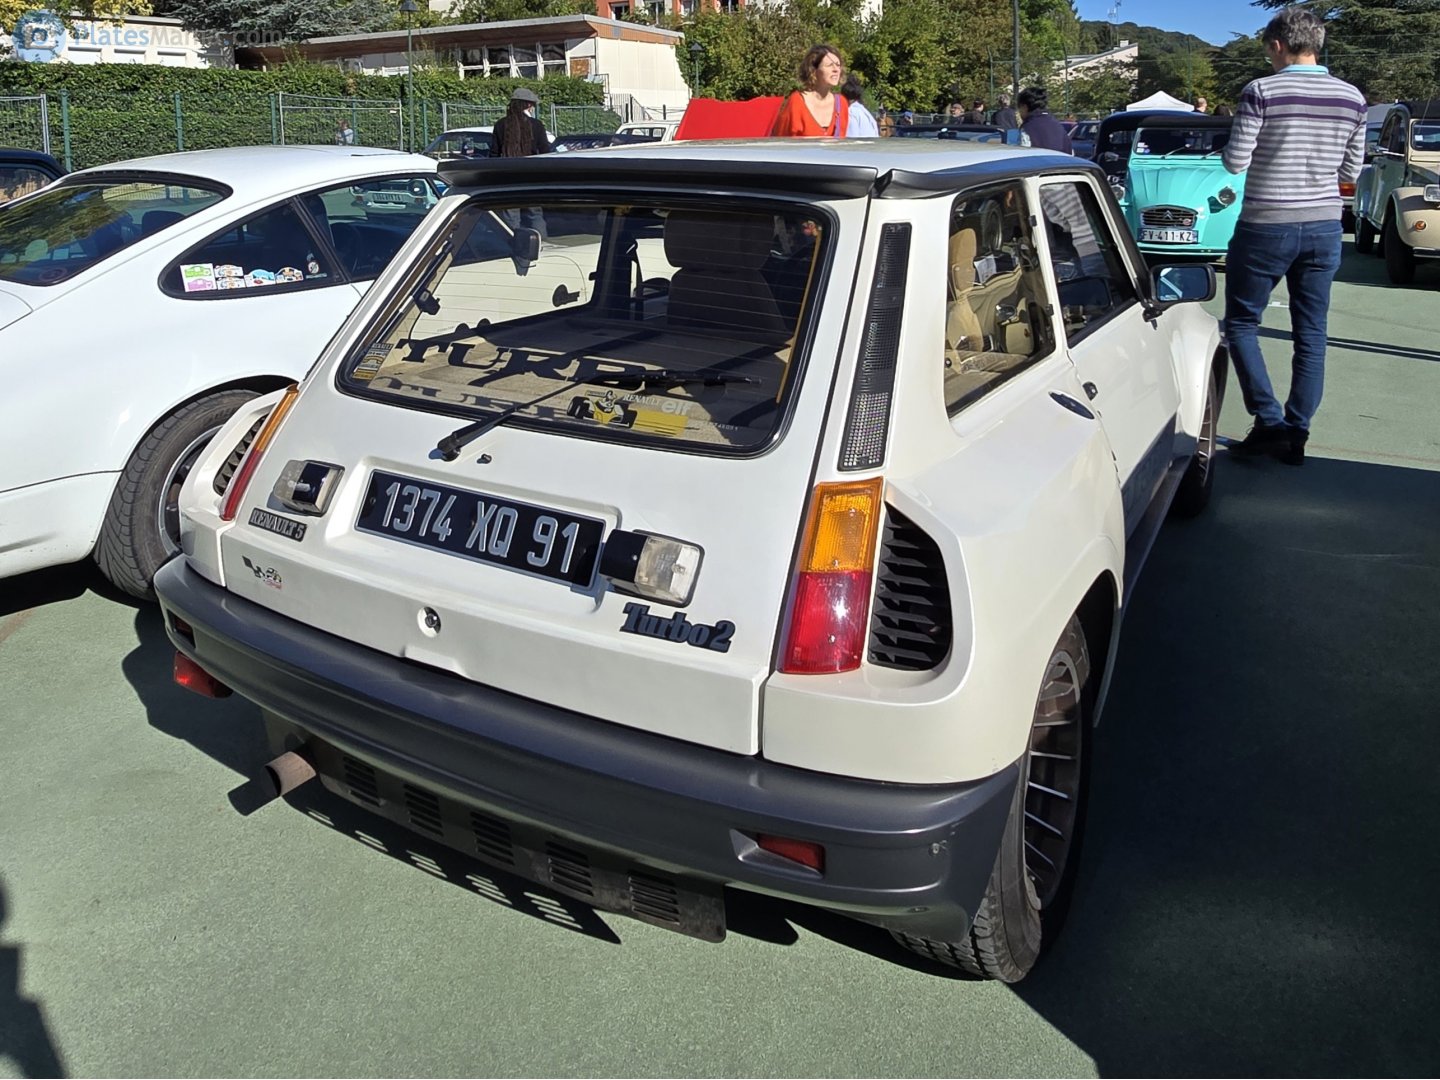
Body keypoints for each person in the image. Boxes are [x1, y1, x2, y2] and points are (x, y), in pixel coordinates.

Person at [1221, 5, 1365, 466]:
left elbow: (1235, 161)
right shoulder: (1352, 98)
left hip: (1266, 223)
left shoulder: (1261, 91)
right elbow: (1350, 171)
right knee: (1312, 331)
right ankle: (1297, 430)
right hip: (1325, 226)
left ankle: (1268, 422)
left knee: (1241, 323)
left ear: (1279, 45)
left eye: (1269, 50)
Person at [772, 44, 849, 138]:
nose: (836, 70)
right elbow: (780, 142)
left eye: (838, 65)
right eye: (829, 65)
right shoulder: (796, 102)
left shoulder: (841, 104)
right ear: (813, 70)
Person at [490, 87, 553, 157]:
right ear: (529, 105)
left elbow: (494, 153)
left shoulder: (500, 124)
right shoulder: (536, 124)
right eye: (533, 105)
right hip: (531, 163)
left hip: (506, 163)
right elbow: (544, 151)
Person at [1017, 87, 1072, 152]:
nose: (1019, 112)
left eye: (1019, 108)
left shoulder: (1027, 128)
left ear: (1024, 107)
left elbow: (1023, 154)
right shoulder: (1058, 126)